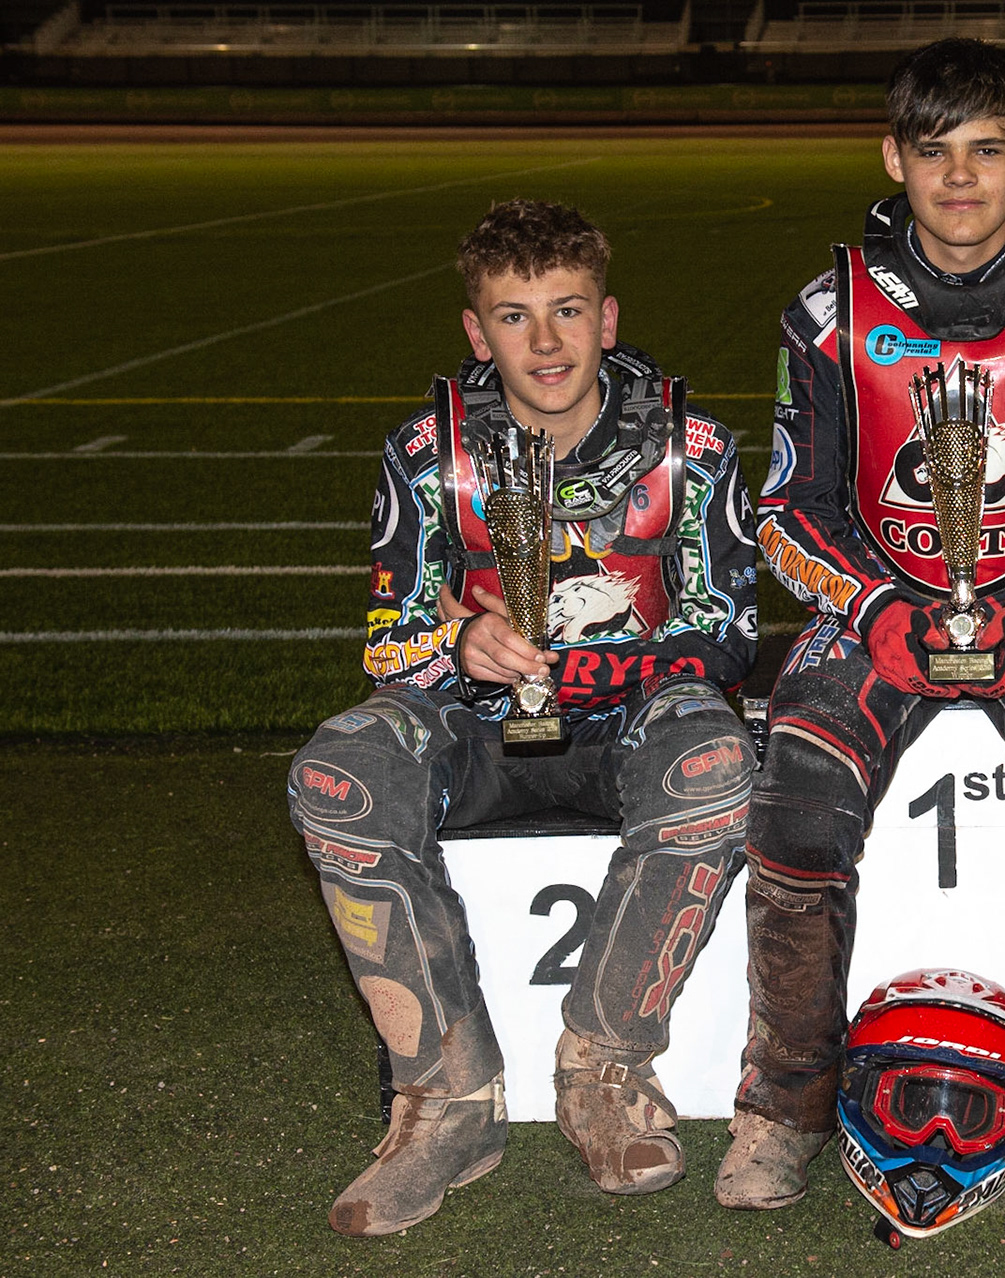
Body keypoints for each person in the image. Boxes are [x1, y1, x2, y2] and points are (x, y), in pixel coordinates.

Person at [719, 38, 1005, 1207]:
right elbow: (789, 507)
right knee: (796, 808)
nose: (960, 178)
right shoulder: (828, 313)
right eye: (934, 152)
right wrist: (875, 607)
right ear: (892, 159)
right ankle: (783, 1103)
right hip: (878, 610)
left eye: (985, 150)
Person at [288, 199, 758, 1235]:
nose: (545, 343)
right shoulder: (428, 451)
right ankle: (448, 1103)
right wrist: (458, 644)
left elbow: (726, 633)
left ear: (608, 317)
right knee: (339, 777)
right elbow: (386, 640)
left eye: (568, 310)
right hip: (474, 728)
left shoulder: (690, 445)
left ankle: (604, 1072)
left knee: (714, 762)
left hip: (628, 722)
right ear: (476, 331)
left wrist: (593, 664)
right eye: (514, 316)